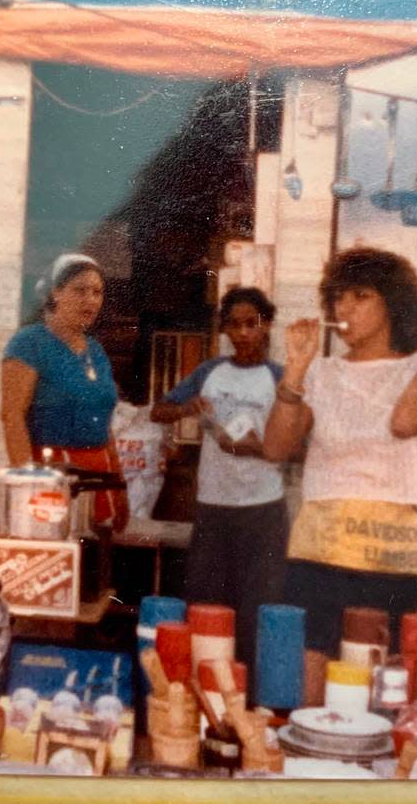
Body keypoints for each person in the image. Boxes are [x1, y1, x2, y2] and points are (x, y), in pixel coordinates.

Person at [263, 246, 417, 655]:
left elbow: (404, 424)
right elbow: (277, 447)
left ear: (393, 304)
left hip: (393, 556)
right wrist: (295, 372)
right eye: (339, 297)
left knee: (381, 679)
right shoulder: (322, 371)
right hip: (318, 549)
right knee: (312, 673)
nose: (345, 307)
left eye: (361, 296)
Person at [150, 287, 287, 672]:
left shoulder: (279, 378)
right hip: (213, 507)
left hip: (264, 510)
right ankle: (202, 692)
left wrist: (258, 448)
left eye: (252, 324)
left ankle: (248, 699)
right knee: (206, 606)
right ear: (224, 328)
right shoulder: (210, 372)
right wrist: (186, 407)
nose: (243, 333)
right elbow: (158, 412)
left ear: (267, 326)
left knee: (256, 610)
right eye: (235, 325)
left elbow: (301, 446)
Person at [0, 253, 128, 531]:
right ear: (55, 293)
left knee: (96, 563)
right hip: (52, 475)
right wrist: (30, 489)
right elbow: (12, 418)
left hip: (98, 474)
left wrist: (119, 487)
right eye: (80, 290)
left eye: (97, 292)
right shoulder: (29, 344)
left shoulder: (96, 351)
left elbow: (105, 424)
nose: (91, 300)